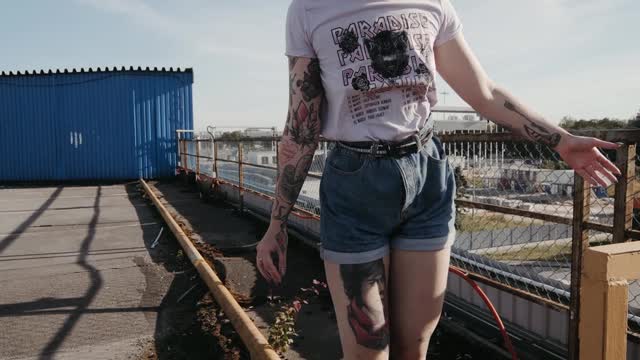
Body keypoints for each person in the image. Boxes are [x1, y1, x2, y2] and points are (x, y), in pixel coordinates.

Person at [256, 0, 622, 359]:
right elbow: (302, 124)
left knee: (415, 347)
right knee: (368, 351)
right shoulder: (309, 8)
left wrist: (561, 140)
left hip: (427, 174)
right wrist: (277, 223)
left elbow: (484, 92)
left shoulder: (433, 3)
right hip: (356, 184)